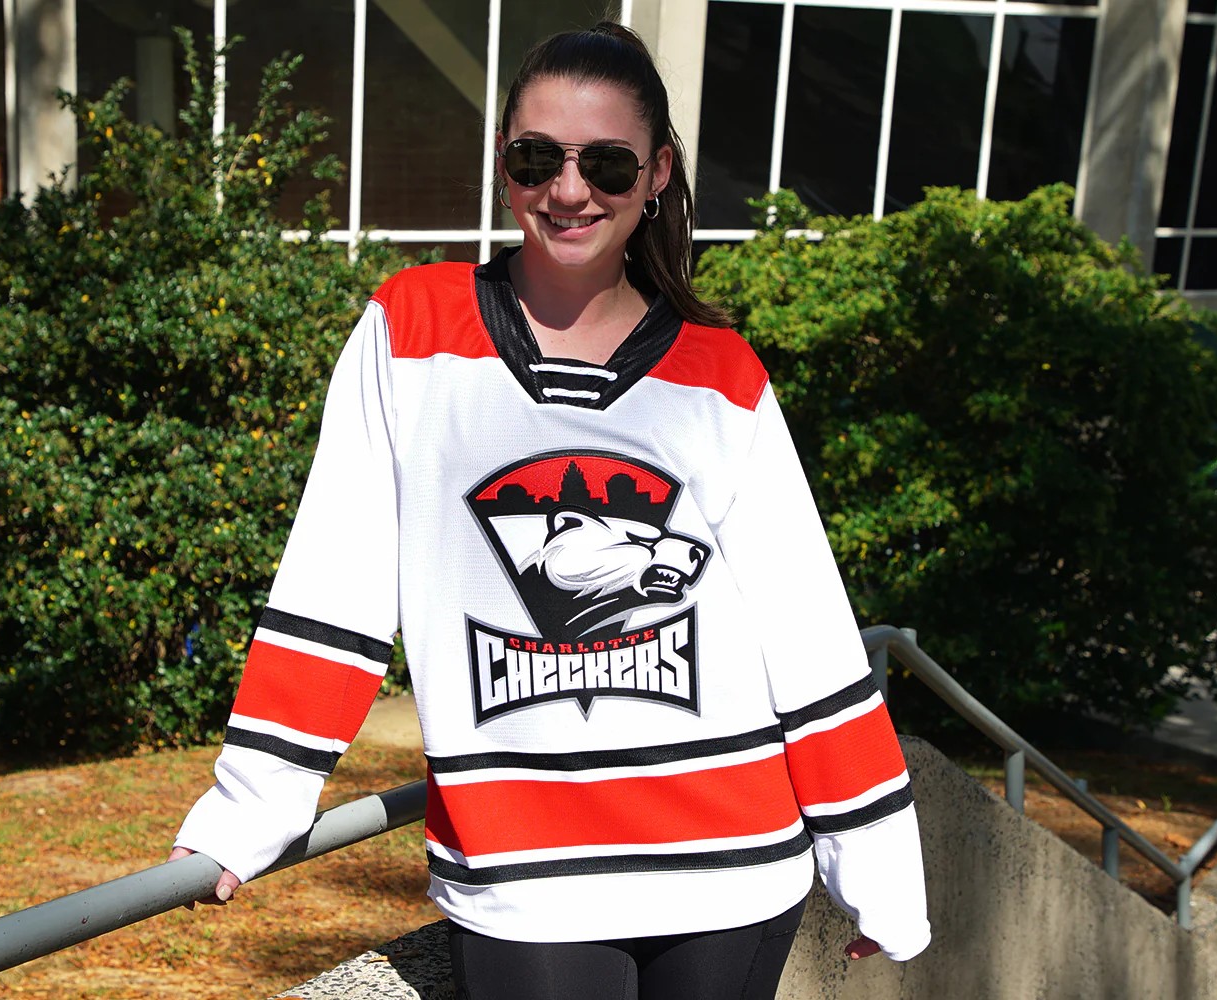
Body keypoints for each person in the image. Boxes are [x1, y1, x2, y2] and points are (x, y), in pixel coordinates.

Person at [169, 21, 930, 1000]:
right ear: (504, 164)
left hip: (732, 862)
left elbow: (803, 624)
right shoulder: (411, 331)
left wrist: (875, 856)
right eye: (538, 159)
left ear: (657, 175)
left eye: (606, 164)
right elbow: (336, 583)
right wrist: (253, 803)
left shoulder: (718, 370)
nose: (569, 191)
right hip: (522, 869)